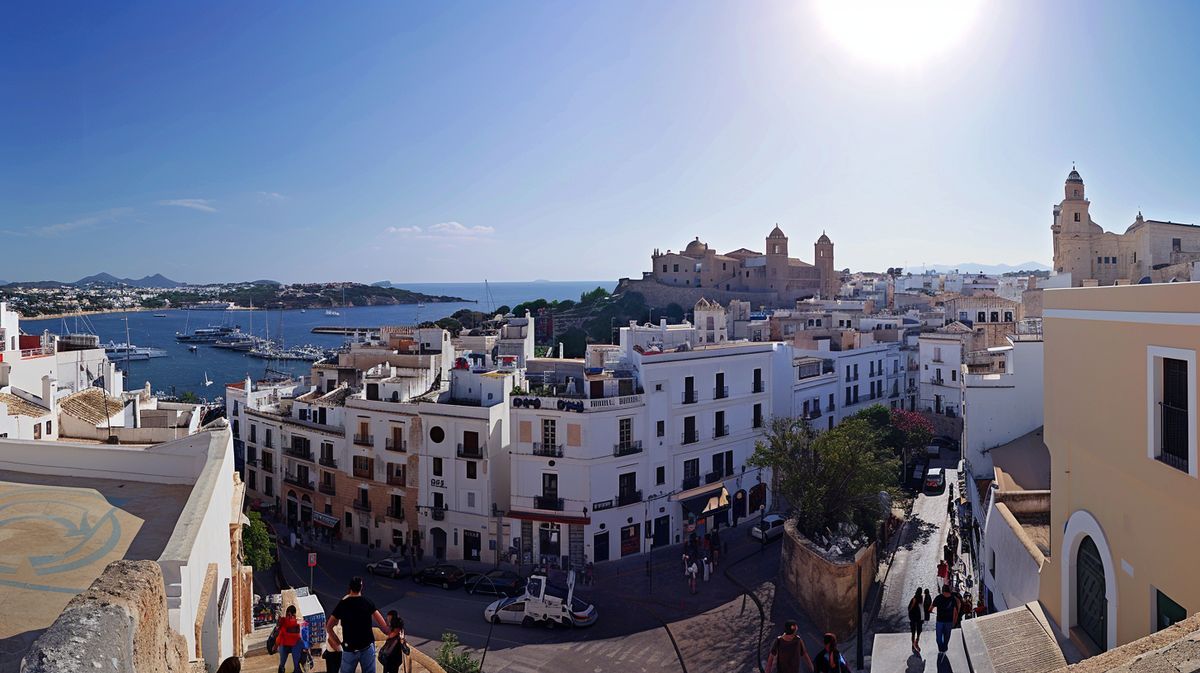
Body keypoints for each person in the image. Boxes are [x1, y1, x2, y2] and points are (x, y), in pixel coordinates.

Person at [326, 576, 390, 673]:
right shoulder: (367, 602)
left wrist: (338, 643)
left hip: (349, 649)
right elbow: (384, 627)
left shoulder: (343, 604)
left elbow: (329, 626)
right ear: (361, 587)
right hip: (367, 648)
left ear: (350, 588)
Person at [276, 605, 304, 673]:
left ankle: (295, 669)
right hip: (285, 643)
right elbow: (280, 633)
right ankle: (283, 668)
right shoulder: (283, 621)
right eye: (288, 615)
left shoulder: (299, 622)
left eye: (291, 615)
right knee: (283, 663)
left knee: (295, 663)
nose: (290, 617)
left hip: (294, 643)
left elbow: (303, 636)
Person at [932, 584, 959, 654]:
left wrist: (954, 622)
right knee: (944, 637)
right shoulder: (952, 599)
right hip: (945, 621)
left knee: (941, 637)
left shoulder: (939, 598)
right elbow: (956, 612)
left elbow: (931, 608)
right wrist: (954, 622)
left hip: (943, 621)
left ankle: (942, 648)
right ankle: (943, 648)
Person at [908, 588, 925, 655]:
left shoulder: (915, 598)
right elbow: (921, 608)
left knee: (914, 632)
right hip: (918, 618)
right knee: (918, 631)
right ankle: (916, 642)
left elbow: (910, 608)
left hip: (914, 618)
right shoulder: (920, 598)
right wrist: (922, 617)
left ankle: (914, 644)